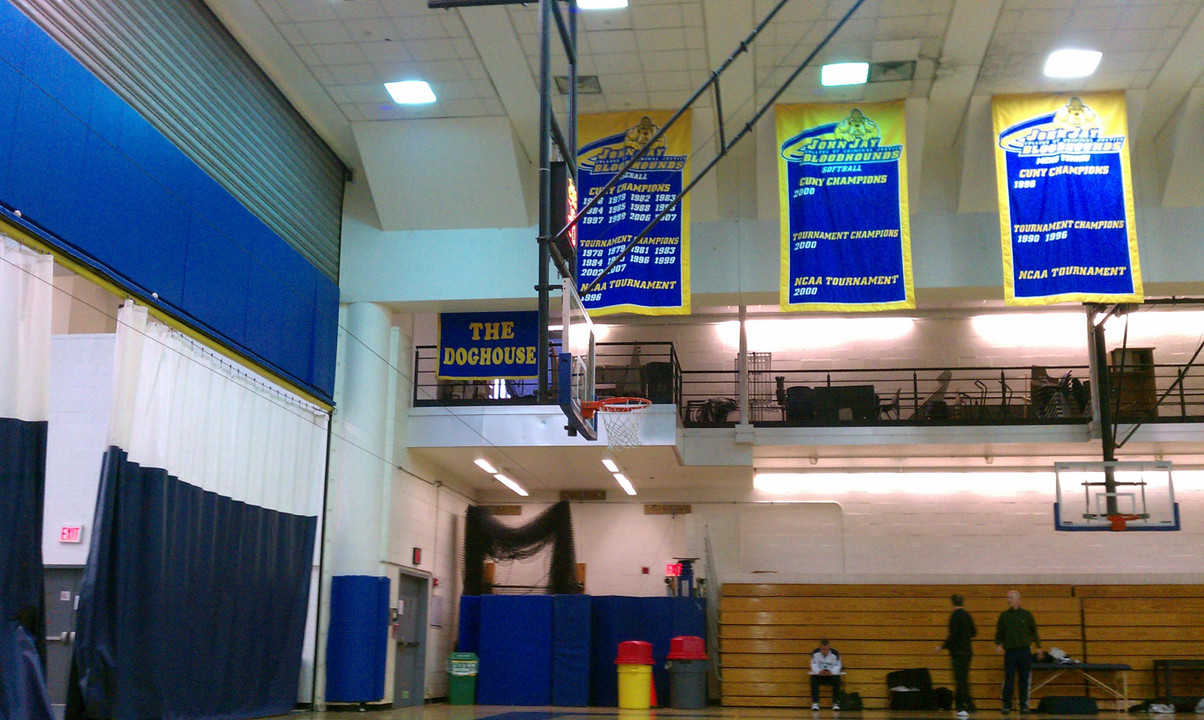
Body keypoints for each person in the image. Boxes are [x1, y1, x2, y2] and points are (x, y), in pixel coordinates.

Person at [995, 590, 1041, 713]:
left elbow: (1034, 631)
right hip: (1010, 652)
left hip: (1024, 651)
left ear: (1017, 599)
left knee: (1024, 679)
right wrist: (998, 643)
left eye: (1010, 597)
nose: (1008, 600)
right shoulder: (1004, 615)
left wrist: (1039, 646)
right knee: (1009, 679)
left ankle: (1023, 705)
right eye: (1007, 597)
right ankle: (1006, 705)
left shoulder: (1026, 615)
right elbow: (999, 632)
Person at [936, 593, 977, 717]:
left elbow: (952, 636)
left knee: (959, 681)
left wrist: (942, 647)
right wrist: (965, 637)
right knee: (964, 679)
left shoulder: (954, 616)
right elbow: (974, 632)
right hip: (967, 651)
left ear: (952, 603)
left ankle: (961, 706)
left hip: (958, 653)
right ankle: (970, 705)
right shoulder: (967, 615)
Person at [809, 638, 843, 711]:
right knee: (813, 680)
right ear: (820, 647)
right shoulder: (815, 653)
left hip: (831, 676)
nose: (824, 651)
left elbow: (838, 665)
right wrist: (819, 671)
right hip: (819, 676)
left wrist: (832, 672)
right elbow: (813, 665)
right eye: (822, 649)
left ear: (829, 647)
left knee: (837, 680)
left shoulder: (835, 654)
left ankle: (835, 703)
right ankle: (815, 703)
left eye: (826, 649)